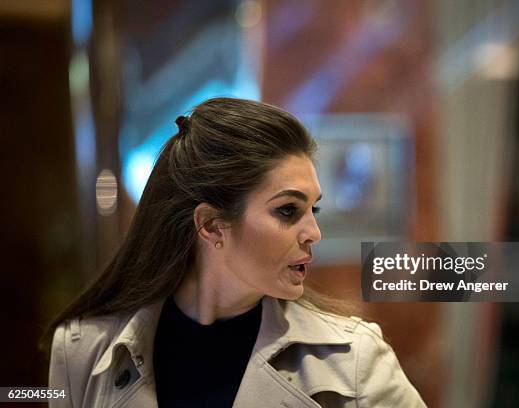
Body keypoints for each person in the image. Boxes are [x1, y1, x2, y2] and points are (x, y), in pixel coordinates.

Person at [45, 98, 425, 407]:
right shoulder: (82, 350)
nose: (314, 233)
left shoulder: (356, 360)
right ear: (211, 225)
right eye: (288, 211)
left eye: (314, 209)